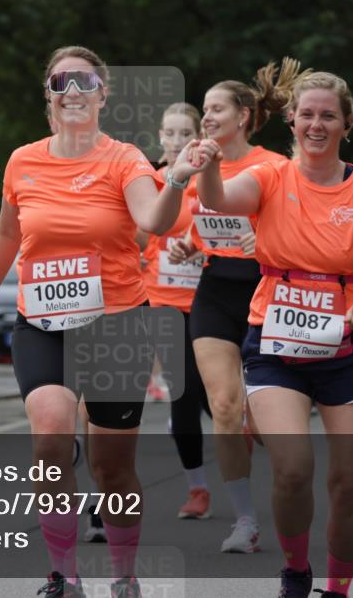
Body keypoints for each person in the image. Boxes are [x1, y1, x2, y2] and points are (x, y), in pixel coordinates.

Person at [0, 46, 215, 598]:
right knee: (50, 434)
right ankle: (64, 576)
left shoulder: (124, 159)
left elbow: (152, 220)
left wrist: (176, 180)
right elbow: (6, 232)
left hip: (116, 323)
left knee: (112, 466)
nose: (73, 91)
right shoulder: (23, 161)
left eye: (85, 82)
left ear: (103, 94)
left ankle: (123, 575)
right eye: (61, 82)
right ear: (48, 95)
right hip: (42, 322)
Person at [194, 70, 353, 598]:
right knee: (291, 469)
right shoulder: (270, 177)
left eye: (328, 115)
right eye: (307, 114)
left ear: (347, 124)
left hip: (349, 348)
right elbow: (217, 200)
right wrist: (209, 165)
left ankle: (337, 589)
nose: (316, 124)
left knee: (348, 485)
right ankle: (295, 570)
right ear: (291, 120)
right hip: (276, 344)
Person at [168, 59, 307, 553]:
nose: (206, 116)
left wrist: (263, 240)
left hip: (264, 290)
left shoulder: (273, 166)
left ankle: (282, 452)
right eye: (204, 109)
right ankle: (245, 522)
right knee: (224, 406)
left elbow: (298, 227)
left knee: (268, 429)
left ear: (243, 116)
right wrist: (188, 244)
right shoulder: (198, 161)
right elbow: (203, 221)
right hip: (214, 289)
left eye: (216, 108)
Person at [141, 102, 213, 519]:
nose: (176, 141)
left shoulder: (212, 183)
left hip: (208, 301)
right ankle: (197, 488)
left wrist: (203, 249)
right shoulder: (147, 181)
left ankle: (238, 423)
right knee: (183, 391)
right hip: (163, 302)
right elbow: (133, 237)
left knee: (214, 397)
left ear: (197, 138)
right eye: (169, 133)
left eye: (185, 133)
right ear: (160, 136)